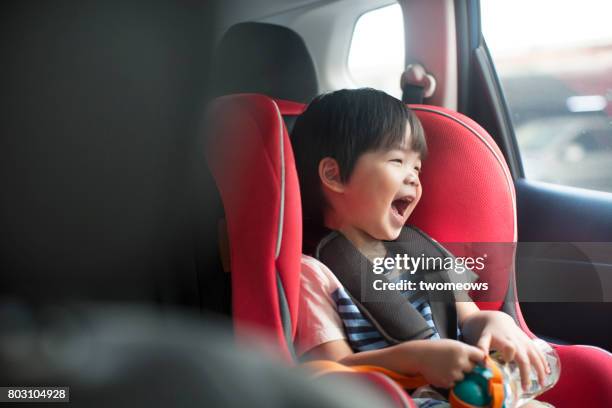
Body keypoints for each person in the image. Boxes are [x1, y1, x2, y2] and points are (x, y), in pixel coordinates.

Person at [291, 88, 553, 407]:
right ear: (334, 175)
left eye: (417, 167)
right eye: (398, 161)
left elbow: (469, 317)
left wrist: (495, 322)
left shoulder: (422, 249)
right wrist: (417, 359)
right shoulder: (314, 274)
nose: (415, 178)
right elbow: (333, 371)